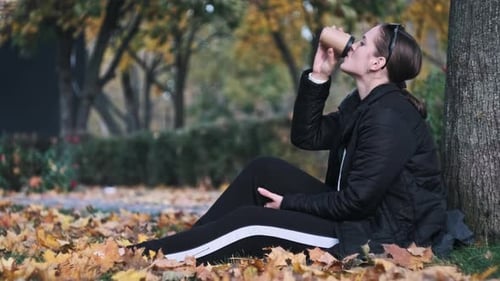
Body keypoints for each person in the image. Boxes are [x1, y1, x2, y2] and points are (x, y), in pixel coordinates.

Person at [131, 23, 447, 264]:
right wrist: (320, 76)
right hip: (355, 215)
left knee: (251, 224)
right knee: (263, 170)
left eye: (362, 42)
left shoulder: (389, 117)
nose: (352, 43)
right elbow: (307, 136)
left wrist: (288, 203)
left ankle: (145, 259)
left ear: (378, 63)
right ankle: (185, 243)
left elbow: (355, 202)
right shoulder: (364, 104)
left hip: (376, 236)